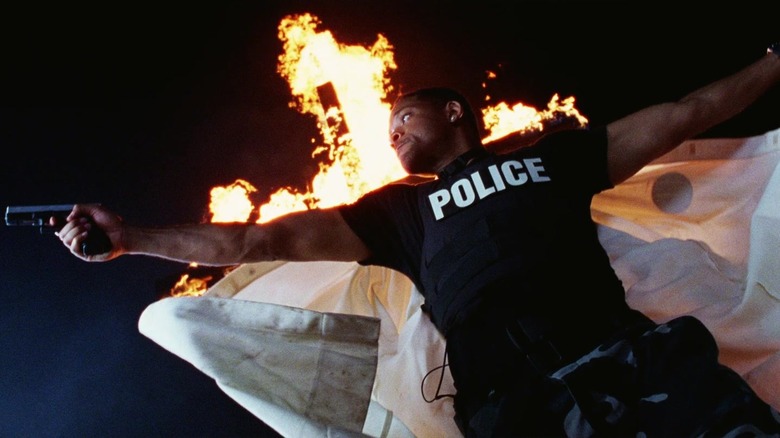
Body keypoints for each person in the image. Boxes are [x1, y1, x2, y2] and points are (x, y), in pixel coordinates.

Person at [56, 43, 780, 437]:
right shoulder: (399, 214)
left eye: (403, 116)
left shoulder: (550, 159)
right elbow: (255, 243)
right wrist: (133, 237)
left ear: (456, 112)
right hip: (517, 408)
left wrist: (774, 60)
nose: (392, 131)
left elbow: (688, 111)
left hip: (632, 359)